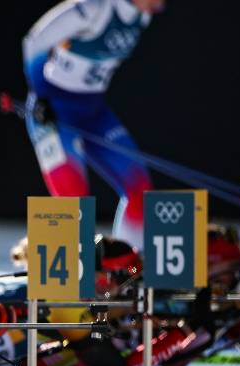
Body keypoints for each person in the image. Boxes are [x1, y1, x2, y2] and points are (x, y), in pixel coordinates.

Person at [22, 0, 164, 249]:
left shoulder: (142, 16)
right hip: (54, 112)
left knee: (140, 190)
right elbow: (34, 42)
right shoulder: (93, 8)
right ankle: (75, 267)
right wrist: (42, 95)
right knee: (74, 202)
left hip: (93, 112)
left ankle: (127, 265)